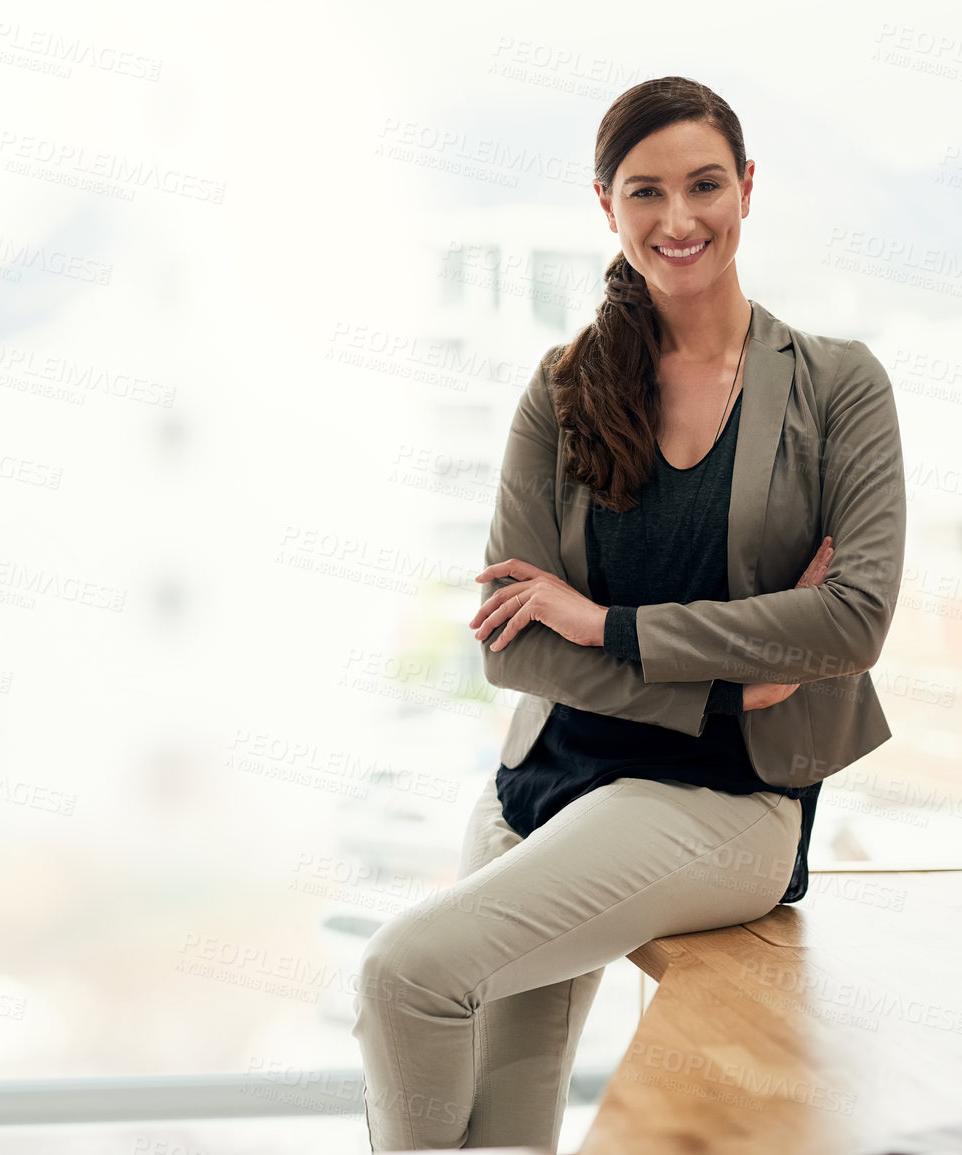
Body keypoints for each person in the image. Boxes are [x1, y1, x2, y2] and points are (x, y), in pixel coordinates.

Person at [351, 75, 906, 1152]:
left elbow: (852, 622)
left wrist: (607, 626)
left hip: (723, 798)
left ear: (747, 190)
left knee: (402, 974)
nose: (679, 217)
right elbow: (517, 649)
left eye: (705, 184)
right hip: (541, 786)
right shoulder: (562, 390)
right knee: (506, 1122)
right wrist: (729, 681)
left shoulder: (839, 387)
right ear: (608, 206)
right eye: (645, 192)